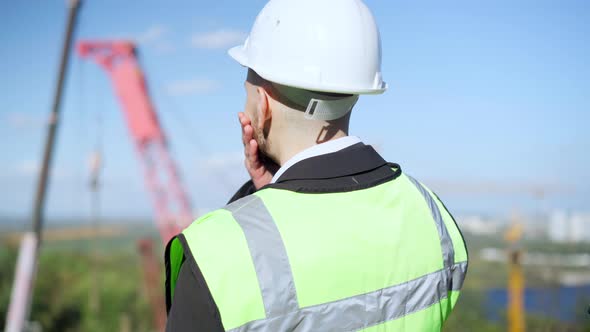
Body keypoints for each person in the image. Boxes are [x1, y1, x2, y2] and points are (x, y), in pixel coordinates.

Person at [164, 0, 468, 331]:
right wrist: (268, 194)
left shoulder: (218, 252)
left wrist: (259, 202)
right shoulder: (431, 214)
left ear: (263, 105)